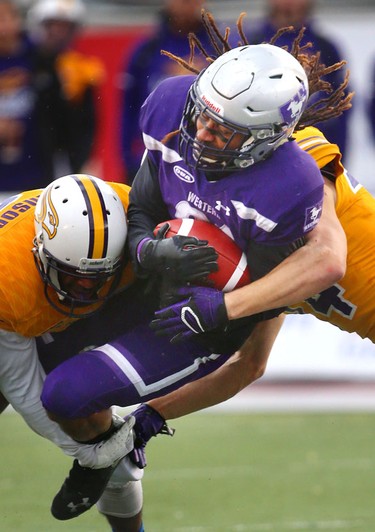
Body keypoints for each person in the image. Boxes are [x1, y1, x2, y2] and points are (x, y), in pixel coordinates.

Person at [40, 10, 351, 520]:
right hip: (145, 276)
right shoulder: (170, 103)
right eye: (202, 113)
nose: (202, 132)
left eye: (223, 130)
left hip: (201, 316)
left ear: (267, 139)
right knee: (33, 358)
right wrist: (145, 249)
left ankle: (110, 458)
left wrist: (219, 309)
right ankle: (108, 455)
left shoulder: (291, 187)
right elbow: (142, 203)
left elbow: (275, 290)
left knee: (66, 393)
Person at [0, 173, 146, 530]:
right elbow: (22, 387)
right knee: (96, 440)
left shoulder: (139, 216)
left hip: (114, 303)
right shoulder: (7, 277)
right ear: (41, 251)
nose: (86, 287)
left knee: (97, 426)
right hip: (20, 319)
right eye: (74, 275)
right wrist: (90, 457)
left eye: (96, 276)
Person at [119, 0, 218, 183]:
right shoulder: (145, 52)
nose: (186, 4)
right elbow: (129, 111)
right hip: (154, 161)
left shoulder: (220, 49)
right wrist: (128, 162)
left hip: (209, 162)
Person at [246, 0, 351, 159]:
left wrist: (335, 161)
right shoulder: (251, 44)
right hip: (260, 152)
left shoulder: (326, 48)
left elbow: (339, 112)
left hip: (313, 150)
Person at [27, 0, 105, 175]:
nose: (58, 32)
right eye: (52, 25)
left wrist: (82, 158)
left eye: (65, 27)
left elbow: (88, 122)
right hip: (30, 156)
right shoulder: (26, 62)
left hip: (66, 156)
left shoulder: (82, 68)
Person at [0, 0, 65, 191]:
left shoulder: (41, 58)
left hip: (36, 176)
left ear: (17, 19)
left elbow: (63, 117)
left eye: (4, 18)